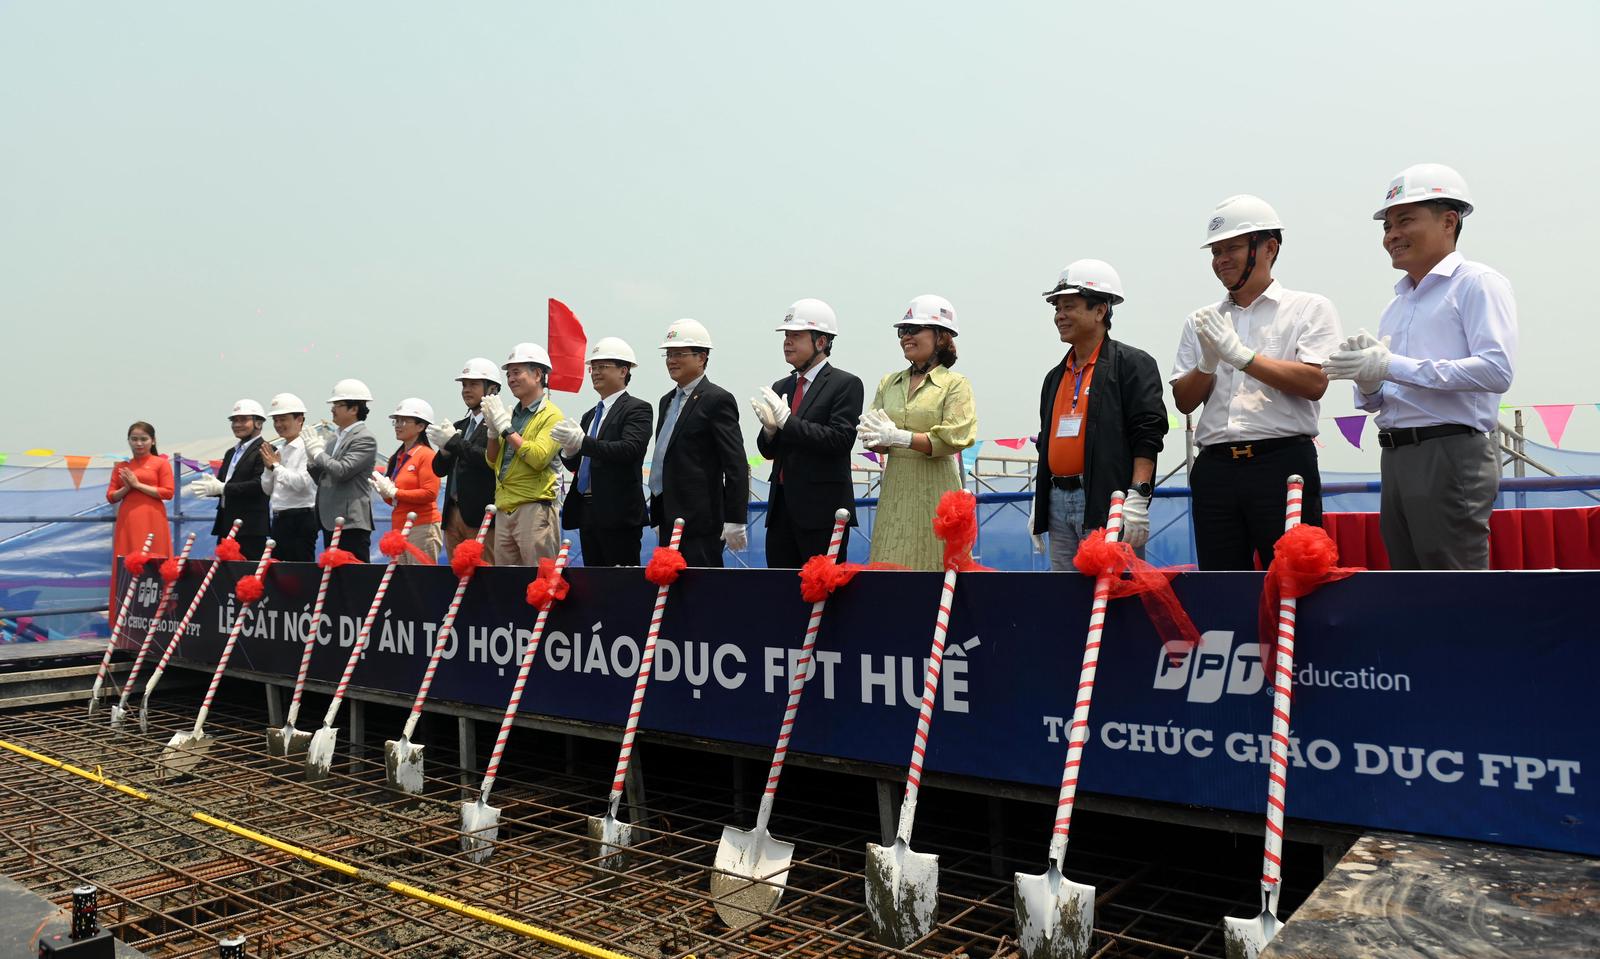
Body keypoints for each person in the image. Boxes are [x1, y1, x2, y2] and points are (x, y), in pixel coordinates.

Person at [1324, 163, 1517, 570]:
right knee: (1409, 582)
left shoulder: (1476, 283)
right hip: (1396, 455)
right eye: (1387, 226)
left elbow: (1495, 370)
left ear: (1449, 221)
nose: (1391, 235)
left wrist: (1392, 365)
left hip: (1450, 451)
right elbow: (1380, 399)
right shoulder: (1396, 305)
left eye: (1405, 221)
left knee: (1452, 582)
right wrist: (1369, 382)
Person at [1169, 197, 1343, 569]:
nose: (1221, 260)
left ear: (1269, 248)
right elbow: (1184, 401)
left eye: (1231, 248)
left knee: (1296, 578)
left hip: (1282, 463)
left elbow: (1315, 382)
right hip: (1215, 467)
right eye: (1215, 252)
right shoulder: (1201, 320)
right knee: (1220, 581)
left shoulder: (1308, 308)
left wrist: (1244, 358)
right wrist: (1207, 364)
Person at [1028, 263, 1168, 568]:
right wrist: (1041, 499)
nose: (1060, 316)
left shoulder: (1132, 364)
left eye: (1069, 307)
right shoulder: (1054, 378)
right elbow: (1046, 442)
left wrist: (1138, 495)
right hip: (1057, 501)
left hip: (1109, 500)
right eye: (1057, 308)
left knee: (1115, 589)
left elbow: (1147, 434)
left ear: (1100, 311)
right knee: (1065, 593)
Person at [857, 295, 977, 571]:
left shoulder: (955, 384)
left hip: (938, 489)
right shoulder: (889, 383)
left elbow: (955, 437)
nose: (905, 337)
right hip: (896, 487)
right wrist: (874, 438)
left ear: (941, 336)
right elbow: (875, 432)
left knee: (937, 564)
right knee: (890, 561)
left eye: (913, 329)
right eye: (902, 331)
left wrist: (900, 437)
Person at [751, 298, 864, 567]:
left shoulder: (845, 384)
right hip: (780, 511)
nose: (787, 342)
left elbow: (840, 440)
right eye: (786, 336)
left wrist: (788, 422)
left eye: (796, 336)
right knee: (779, 587)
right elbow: (768, 451)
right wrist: (770, 431)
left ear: (821, 342)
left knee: (822, 587)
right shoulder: (781, 386)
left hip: (822, 513)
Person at [647, 319, 749, 567]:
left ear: (701, 357)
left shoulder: (717, 399)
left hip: (701, 522)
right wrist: (658, 513)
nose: (671, 360)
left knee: (702, 586)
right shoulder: (666, 401)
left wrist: (736, 518)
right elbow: (664, 457)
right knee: (669, 587)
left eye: (679, 354)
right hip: (667, 517)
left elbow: (735, 463)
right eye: (668, 354)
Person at [553, 338, 653, 566]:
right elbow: (578, 465)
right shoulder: (590, 415)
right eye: (593, 368)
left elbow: (629, 449)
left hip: (619, 513)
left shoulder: (637, 408)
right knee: (594, 579)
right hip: (587, 511)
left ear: (623, 371)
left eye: (602, 367)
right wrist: (569, 451)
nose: (596, 373)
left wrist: (583, 442)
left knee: (620, 580)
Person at [481, 343, 564, 565]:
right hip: (504, 506)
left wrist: (506, 428)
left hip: (534, 507)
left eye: (516, 372)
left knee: (538, 576)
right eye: (509, 374)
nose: (511, 379)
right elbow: (492, 461)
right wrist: (492, 432)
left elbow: (538, 458)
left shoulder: (552, 415)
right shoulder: (512, 415)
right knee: (507, 579)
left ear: (537, 374)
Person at [429, 358, 501, 562]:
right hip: (453, 514)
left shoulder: (498, 425)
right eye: (464, 385)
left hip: (481, 516)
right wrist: (444, 450)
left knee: (485, 572)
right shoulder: (459, 425)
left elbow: (488, 460)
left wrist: (454, 442)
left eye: (473, 384)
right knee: (456, 574)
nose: (467, 390)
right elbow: (439, 470)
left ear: (492, 388)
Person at [304, 379, 379, 561]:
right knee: (332, 574)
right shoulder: (333, 439)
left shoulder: (364, 438)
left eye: (338, 405)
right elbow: (323, 478)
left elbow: (342, 471)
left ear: (354, 409)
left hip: (350, 522)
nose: (333, 409)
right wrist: (312, 460)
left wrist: (318, 453)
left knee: (354, 573)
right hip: (331, 519)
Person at [106, 421, 173, 615]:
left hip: (154, 518)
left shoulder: (161, 463)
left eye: (143, 439)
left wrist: (137, 485)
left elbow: (168, 492)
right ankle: (125, 615)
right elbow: (111, 496)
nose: (139, 443)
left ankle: (159, 613)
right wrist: (127, 488)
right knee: (127, 563)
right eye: (134, 439)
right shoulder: (122, 467)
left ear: (153, 441)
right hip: (128, 519)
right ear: (128, 441)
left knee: (155, 562)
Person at [191, 399, 270, 559]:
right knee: (224, 572)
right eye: (234, 420)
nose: (237, 424)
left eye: (243, 420)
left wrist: (223, 488)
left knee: (248, 572)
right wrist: (212, 487)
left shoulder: (265, 450)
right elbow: (223, 485)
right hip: (226, 524)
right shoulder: (230, 453)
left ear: (258, 423)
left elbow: (260, 485)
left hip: (250, 528)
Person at [371, 398, 443, 564]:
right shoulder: (396, 457)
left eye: (404, 421)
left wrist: (395, 492)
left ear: (421, 426)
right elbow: (396, 501)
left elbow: (430, 493)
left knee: (420, 577)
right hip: (399, 526)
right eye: (396, 421)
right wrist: (386, 494)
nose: (398, 425)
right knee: (402, 578)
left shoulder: (426, 455)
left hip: (422, 527)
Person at [259, 393, 319, 562]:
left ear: (299, 419)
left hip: (301, 517)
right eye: (275, 420)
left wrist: (275, 467)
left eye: (283, 419)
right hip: (279, 517)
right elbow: (267, 489)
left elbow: (302, 483)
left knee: (299, 569)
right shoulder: (279, 450)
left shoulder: (308, 448)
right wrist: (269, 469)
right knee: (279, 569)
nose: (278, 425)